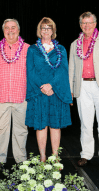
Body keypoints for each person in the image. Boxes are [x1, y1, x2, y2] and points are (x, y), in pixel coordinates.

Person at [69, 12, 99, 168]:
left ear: (95, 24)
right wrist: (72, 89)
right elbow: (71, 69)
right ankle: (86, 154)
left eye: (89, 23)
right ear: (80, 25)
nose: (86, 26)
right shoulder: (74, 44)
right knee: (85, 123)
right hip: (83, 87)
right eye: (84, 23)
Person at [26, 17, 72, 162]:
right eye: (43, 28)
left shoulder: (61, 49)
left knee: (55, 125)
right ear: (39, 31)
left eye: (48, 28)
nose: (46, 31)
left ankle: (55, 157)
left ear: (53, 31)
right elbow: (30, 70)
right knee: (41, 126)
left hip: (55, 92)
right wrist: (43, 86)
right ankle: (43, 157)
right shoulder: (32, 49)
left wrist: (51, 85)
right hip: (39, 92)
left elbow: (63, 70)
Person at [0, 19, 30, 169]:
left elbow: (33, 73)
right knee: (0, 129)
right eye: (7, 28)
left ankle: (21, 159)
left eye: (13, 28)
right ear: (3, 31)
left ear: (18, 31)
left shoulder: (28, 49)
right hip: (1, 96)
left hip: (21, 96)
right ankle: (0, 158)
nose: (10, 30)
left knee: (21, 130)